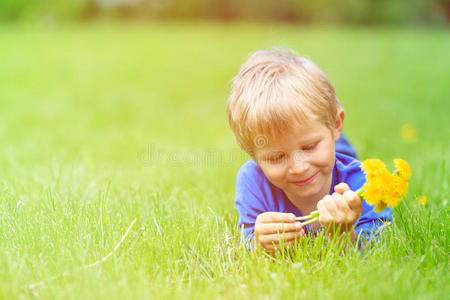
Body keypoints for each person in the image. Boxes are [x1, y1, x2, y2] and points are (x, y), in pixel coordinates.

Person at [226, 49, 391, 253]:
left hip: (340, 158)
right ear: (253, 155)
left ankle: (337, 145)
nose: (299, 167)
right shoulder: (253, 181)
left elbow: (375, 257)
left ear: (337, 124)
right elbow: (251, 245)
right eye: (277, 157)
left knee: (340, 153)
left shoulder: (366, 187)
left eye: (309, 146)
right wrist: (260, 247)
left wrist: (342, 235)